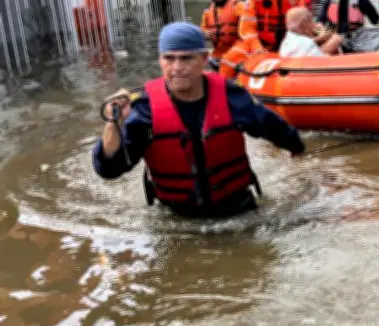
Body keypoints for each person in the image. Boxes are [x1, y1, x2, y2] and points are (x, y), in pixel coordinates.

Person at [92, 22, 305, 217]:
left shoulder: (232, 98)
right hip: (175, 218)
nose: (176, 67)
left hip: (238, 211)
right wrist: (113, 122)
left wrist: (297, 147)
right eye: (169, 58)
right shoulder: (146, 115)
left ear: (204, 59)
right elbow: (110, 169)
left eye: (186, 58)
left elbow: (272, 127)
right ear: (160, 61)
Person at [217, 0, 306, 79]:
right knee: (228, 60)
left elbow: (303, 18)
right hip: (260, 42)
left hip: (287, 42)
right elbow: (247, 26)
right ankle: (228, 94)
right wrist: (257, 47)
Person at [199, 0, 244, 71]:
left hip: (238, 56)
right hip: (217, 57)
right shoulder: (207, 12)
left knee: (237, 84)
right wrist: (204, 34)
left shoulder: (238, 6)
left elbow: (250, 27)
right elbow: (202, 31)